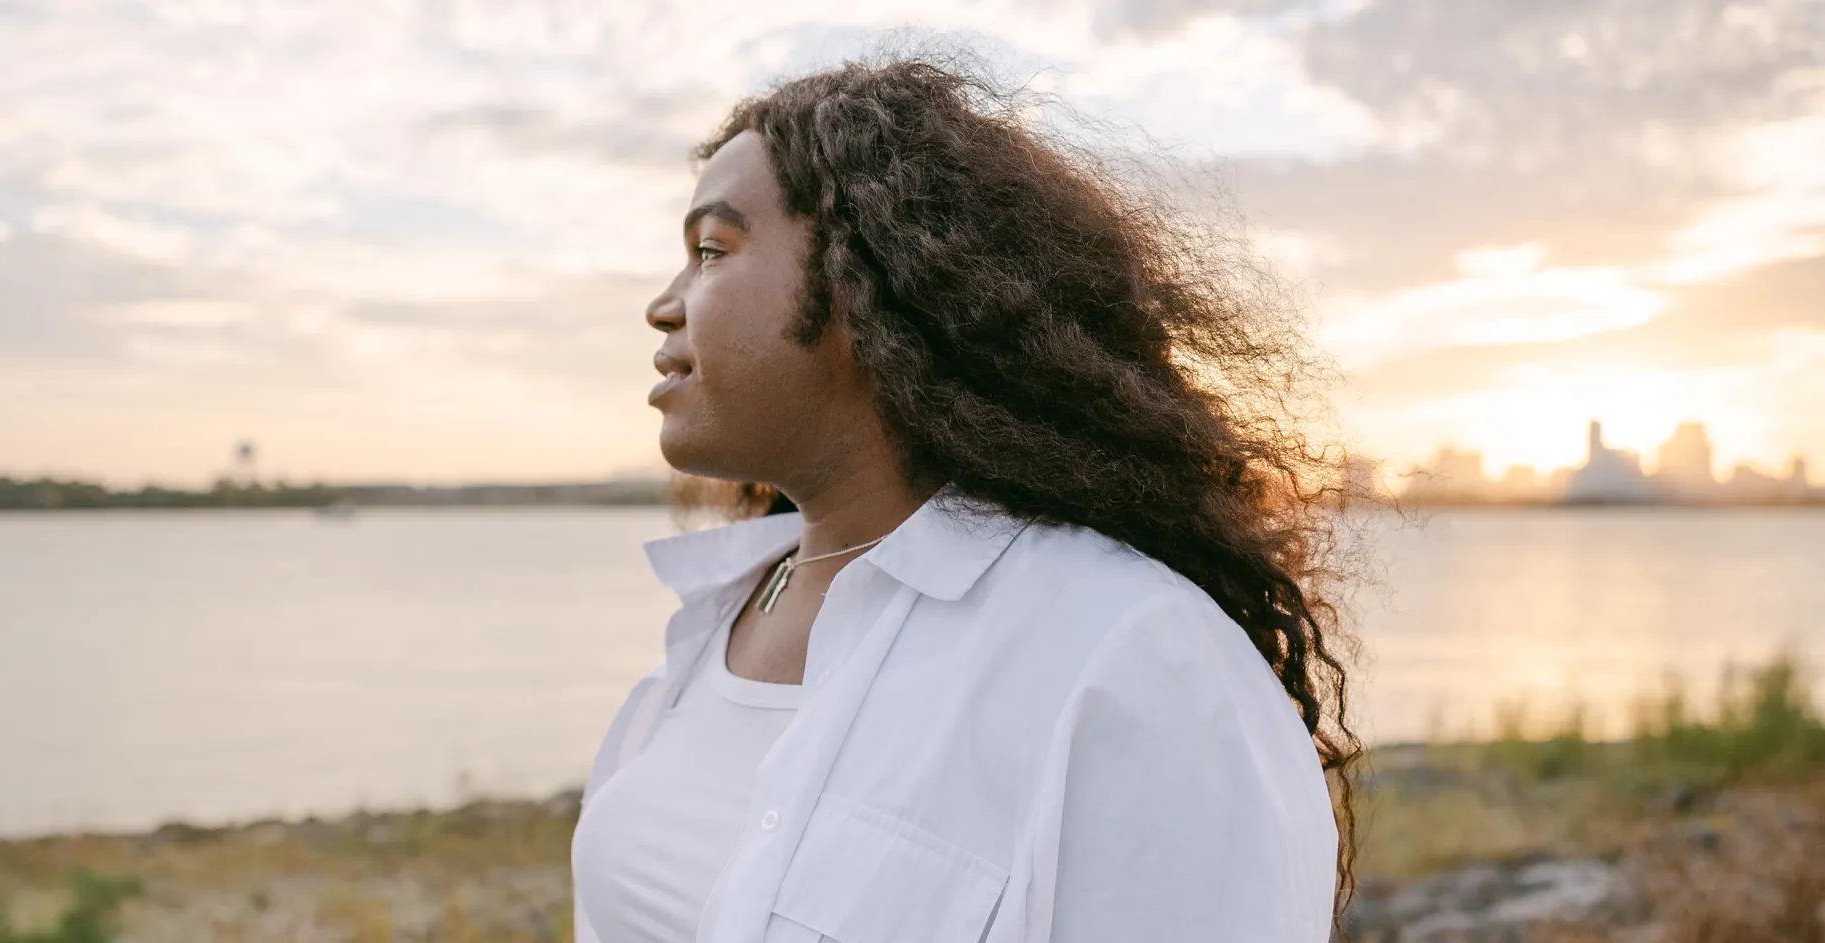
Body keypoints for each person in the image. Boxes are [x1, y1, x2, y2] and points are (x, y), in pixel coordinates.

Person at [569, 56, 1358, 943]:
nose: (662, 306)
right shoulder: (710, 626)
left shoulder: (1133, 658)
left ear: (869, 279)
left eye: (712, 250)